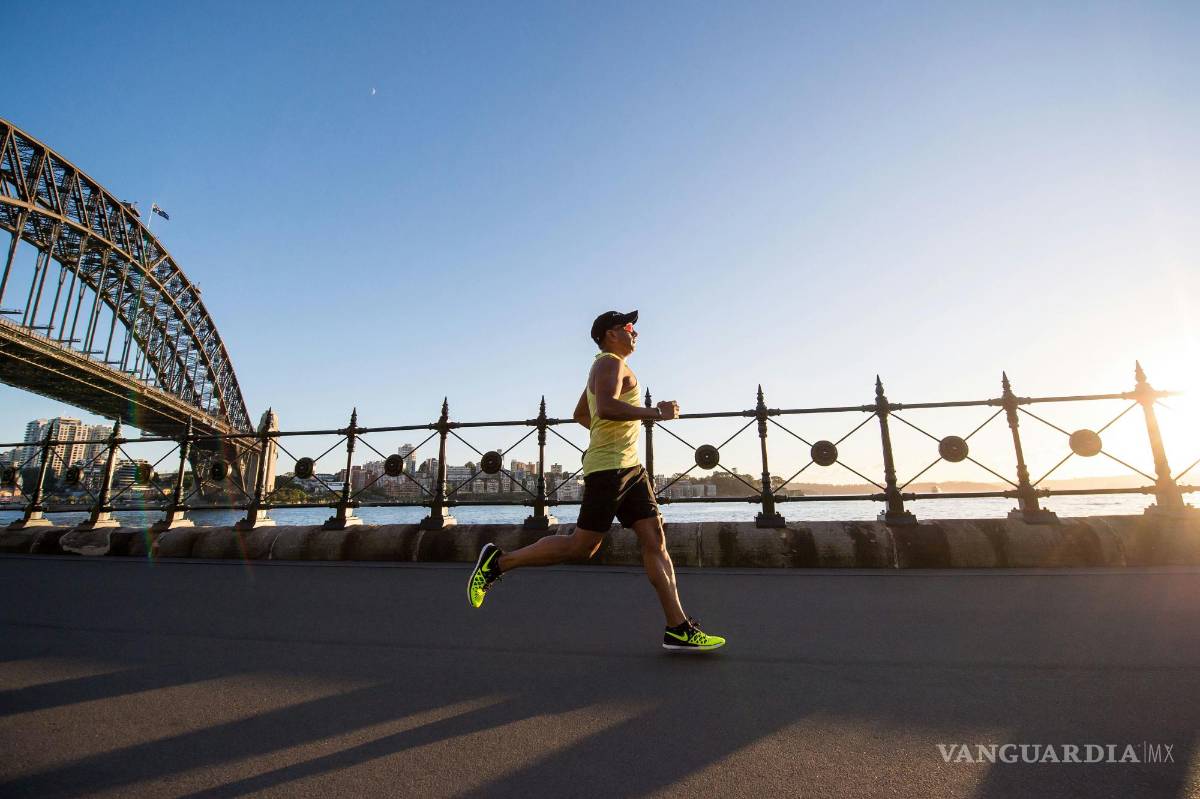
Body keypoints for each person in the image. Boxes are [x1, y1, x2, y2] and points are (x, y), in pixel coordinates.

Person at [467, 310, 725, 652]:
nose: (635, 333)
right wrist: (654, 413)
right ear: (609, 334)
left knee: (655, 540)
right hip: (610, 470)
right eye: (628, 327)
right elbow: (604, 407)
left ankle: (678, 627)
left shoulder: (611, 365)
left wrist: (611, 437)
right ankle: (497, 562)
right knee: (582, 546)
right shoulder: (609, 363)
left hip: (631, 468)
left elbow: (582, 414)